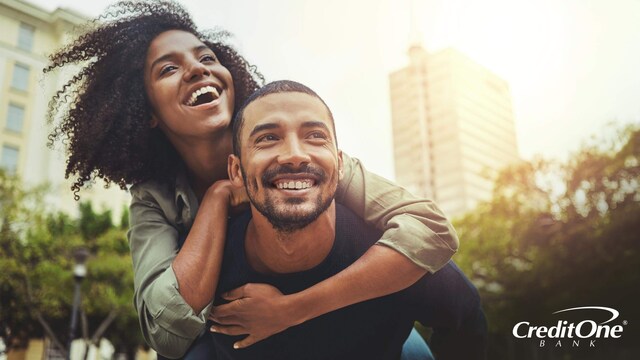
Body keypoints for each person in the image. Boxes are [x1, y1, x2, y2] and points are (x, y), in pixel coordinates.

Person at [44, 1, 458, 358]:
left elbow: (430, 230)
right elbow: (166, 330)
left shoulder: (300, 156)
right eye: (169, 68)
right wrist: (218, 198)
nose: (196, 70)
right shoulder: (153, 200)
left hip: (358, 325)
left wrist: (294, 308)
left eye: (207, 58)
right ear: (145, 111)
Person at [209, 80, 487, 359]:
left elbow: (465, 318)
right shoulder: (213, 265)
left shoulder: (397, 257)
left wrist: (290, 309)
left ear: (341, 164)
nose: (295, 154)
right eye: (268, 137)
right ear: (236, 171)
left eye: (315, 136)